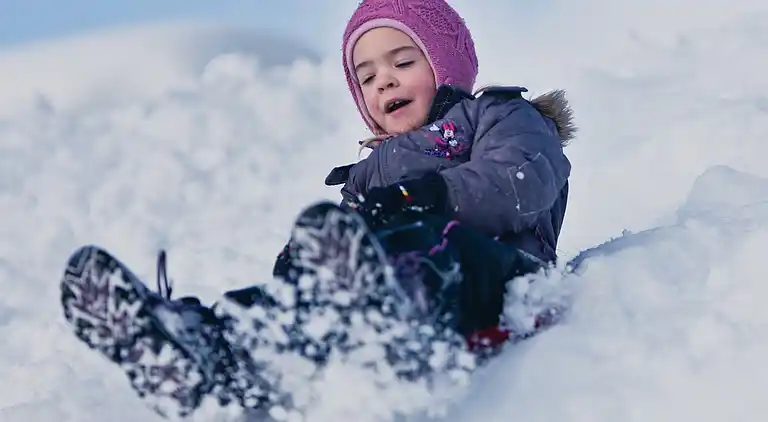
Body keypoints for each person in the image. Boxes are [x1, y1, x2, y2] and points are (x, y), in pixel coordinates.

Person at [59, 0, 576, 419]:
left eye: (402, 62)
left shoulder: (500, 114)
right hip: (383, 281)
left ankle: (386, 320)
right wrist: (299, 268)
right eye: (366, 76)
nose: (384, 82)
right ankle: (207, 352)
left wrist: (427, 195)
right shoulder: (366, 173)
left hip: (494, 276)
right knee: (285, 292)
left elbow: (520, 179)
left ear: (445, 66)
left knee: (424, 244)